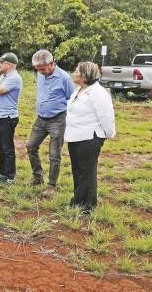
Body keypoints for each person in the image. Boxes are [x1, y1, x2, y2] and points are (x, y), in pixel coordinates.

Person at [65, 62, 115, 213]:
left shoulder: (98, 93)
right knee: (78, 170)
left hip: (89, 138)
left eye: (76, 71)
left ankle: (87, 206)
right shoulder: (79, 90)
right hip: (75, 137)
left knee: (87, 172)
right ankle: (78, 200)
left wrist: (108, 134)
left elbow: (106, 116)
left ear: (84, 75)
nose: (73, 73)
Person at [27, 49, 75, 197]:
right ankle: (37, 177)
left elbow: (71, 98)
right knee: (31, 146)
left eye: (42, 69)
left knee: (54, 154)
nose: (40, 72)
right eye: (37, 69)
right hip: (41, 118)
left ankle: (51, 186)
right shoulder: (41, 74)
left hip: (57, 120)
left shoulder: (64, 78)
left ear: (52, 63)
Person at [0, 52, 23, 184]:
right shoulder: (5, 76)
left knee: (7, 146)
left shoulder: (14, 78)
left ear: (8, 64)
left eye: (1, 62)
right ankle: (2, 171)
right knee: (0, 145)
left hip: (7, 117)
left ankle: (9, 176)